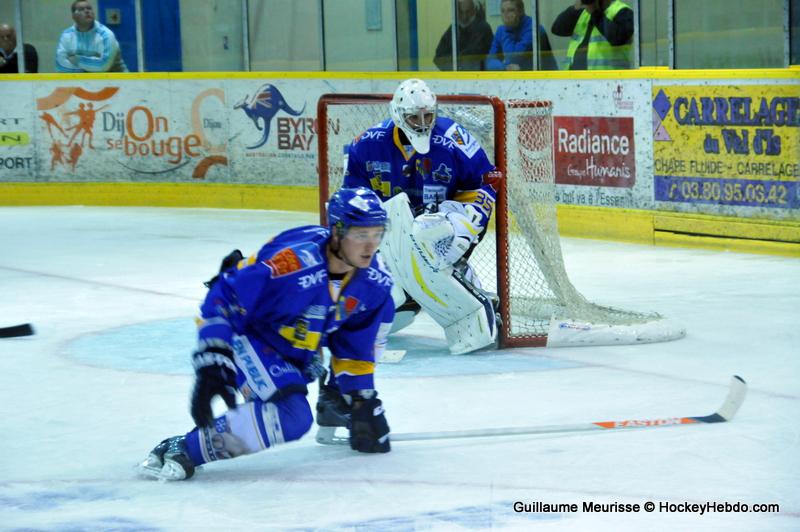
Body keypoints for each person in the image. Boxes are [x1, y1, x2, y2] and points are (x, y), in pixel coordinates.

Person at [139, 187, 395, 480]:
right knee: (292, 417)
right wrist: (214, 357)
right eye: (361, 235)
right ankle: (182, 448)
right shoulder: (294, 264)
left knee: (384, 307)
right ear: (337, 231)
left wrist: (361, 397)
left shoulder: (374, 280)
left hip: (295, 347)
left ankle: (336, 398)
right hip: (249, 333)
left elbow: (355, 342)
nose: (370, 246)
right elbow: (225, 294)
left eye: (377, 234)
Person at [342, 78, 501, 356]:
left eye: (428, 115)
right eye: (414, 117)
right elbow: (350, 201)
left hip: (444, 226)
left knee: (429, 233)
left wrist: (466, 224)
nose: (422, 122)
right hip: (390, 233)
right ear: (398, 114)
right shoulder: (367, 145)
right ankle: (405, 295)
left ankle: (466, 293)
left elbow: (485, 184)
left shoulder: (453, 138)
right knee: (383, 297)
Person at [551, 0, 633, 70]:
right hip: (574, 81)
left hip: (609, 81)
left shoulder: (622, 11)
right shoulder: (584, 13)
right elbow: (557, 29)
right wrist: (576, 7)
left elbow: (618, 38)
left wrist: (595, 12)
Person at [56, 1, 128, 73]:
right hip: (82, 81)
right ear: (74, 16)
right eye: (81, 9)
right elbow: (60, 66)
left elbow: (103, 66)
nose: (87, 11)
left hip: (117, 80)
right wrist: (90, 67)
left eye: (89, 8)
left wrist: (77, 60)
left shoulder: (106, 35)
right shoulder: (66, 36)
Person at [486, 0, 558, 71]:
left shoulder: (534, 28)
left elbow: (513, 58)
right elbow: (490, 61)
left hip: (544, 77)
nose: (505, 15)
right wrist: (504, 67)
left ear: (521, 11)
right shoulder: (501, 30)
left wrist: (508, 29)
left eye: (510, 10)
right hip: (518, 77)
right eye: (502, 11)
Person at [433, 0, 494, 71]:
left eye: (468, 12)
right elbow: (438, 57)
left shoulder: (483, 28)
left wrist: (454, 61)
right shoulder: (453, 29)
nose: (464, 16)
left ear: (474, 10)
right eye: (461, 12)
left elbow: (472, 55)